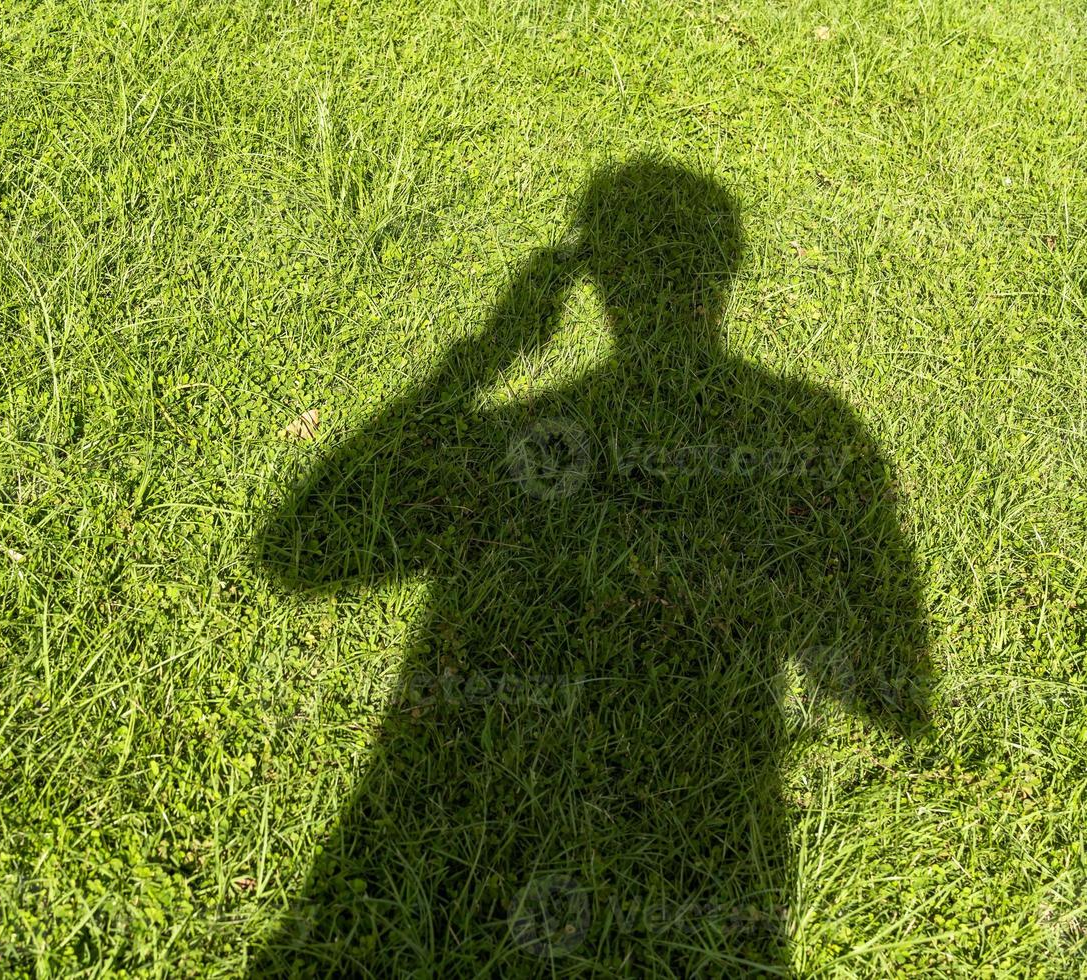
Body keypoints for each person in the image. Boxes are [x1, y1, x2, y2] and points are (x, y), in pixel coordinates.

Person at [251, 157, 932, 977]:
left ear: (599, 278)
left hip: (454, 845)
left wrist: (490, 351)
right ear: (729, 269)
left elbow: (302, 551)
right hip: (714, 863)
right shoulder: (818, 425)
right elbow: (890, 696)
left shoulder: (535, 433)